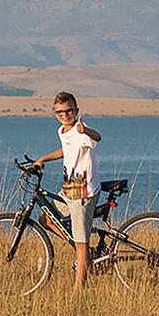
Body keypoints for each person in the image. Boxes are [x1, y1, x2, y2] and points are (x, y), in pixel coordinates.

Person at [30, 91, 103, 289]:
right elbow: (66, 150)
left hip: (83, 192)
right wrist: (42, 159)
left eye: (69, 111)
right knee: (46, 219)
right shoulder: (62, 131)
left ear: (76, 111)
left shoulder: (81, 131)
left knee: (81, 242)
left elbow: (97, 137)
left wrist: (86, 130)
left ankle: (78, 291)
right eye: (59, 112)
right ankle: (83, 252)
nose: (65, 115)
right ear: (55, 113)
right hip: (68, 190)